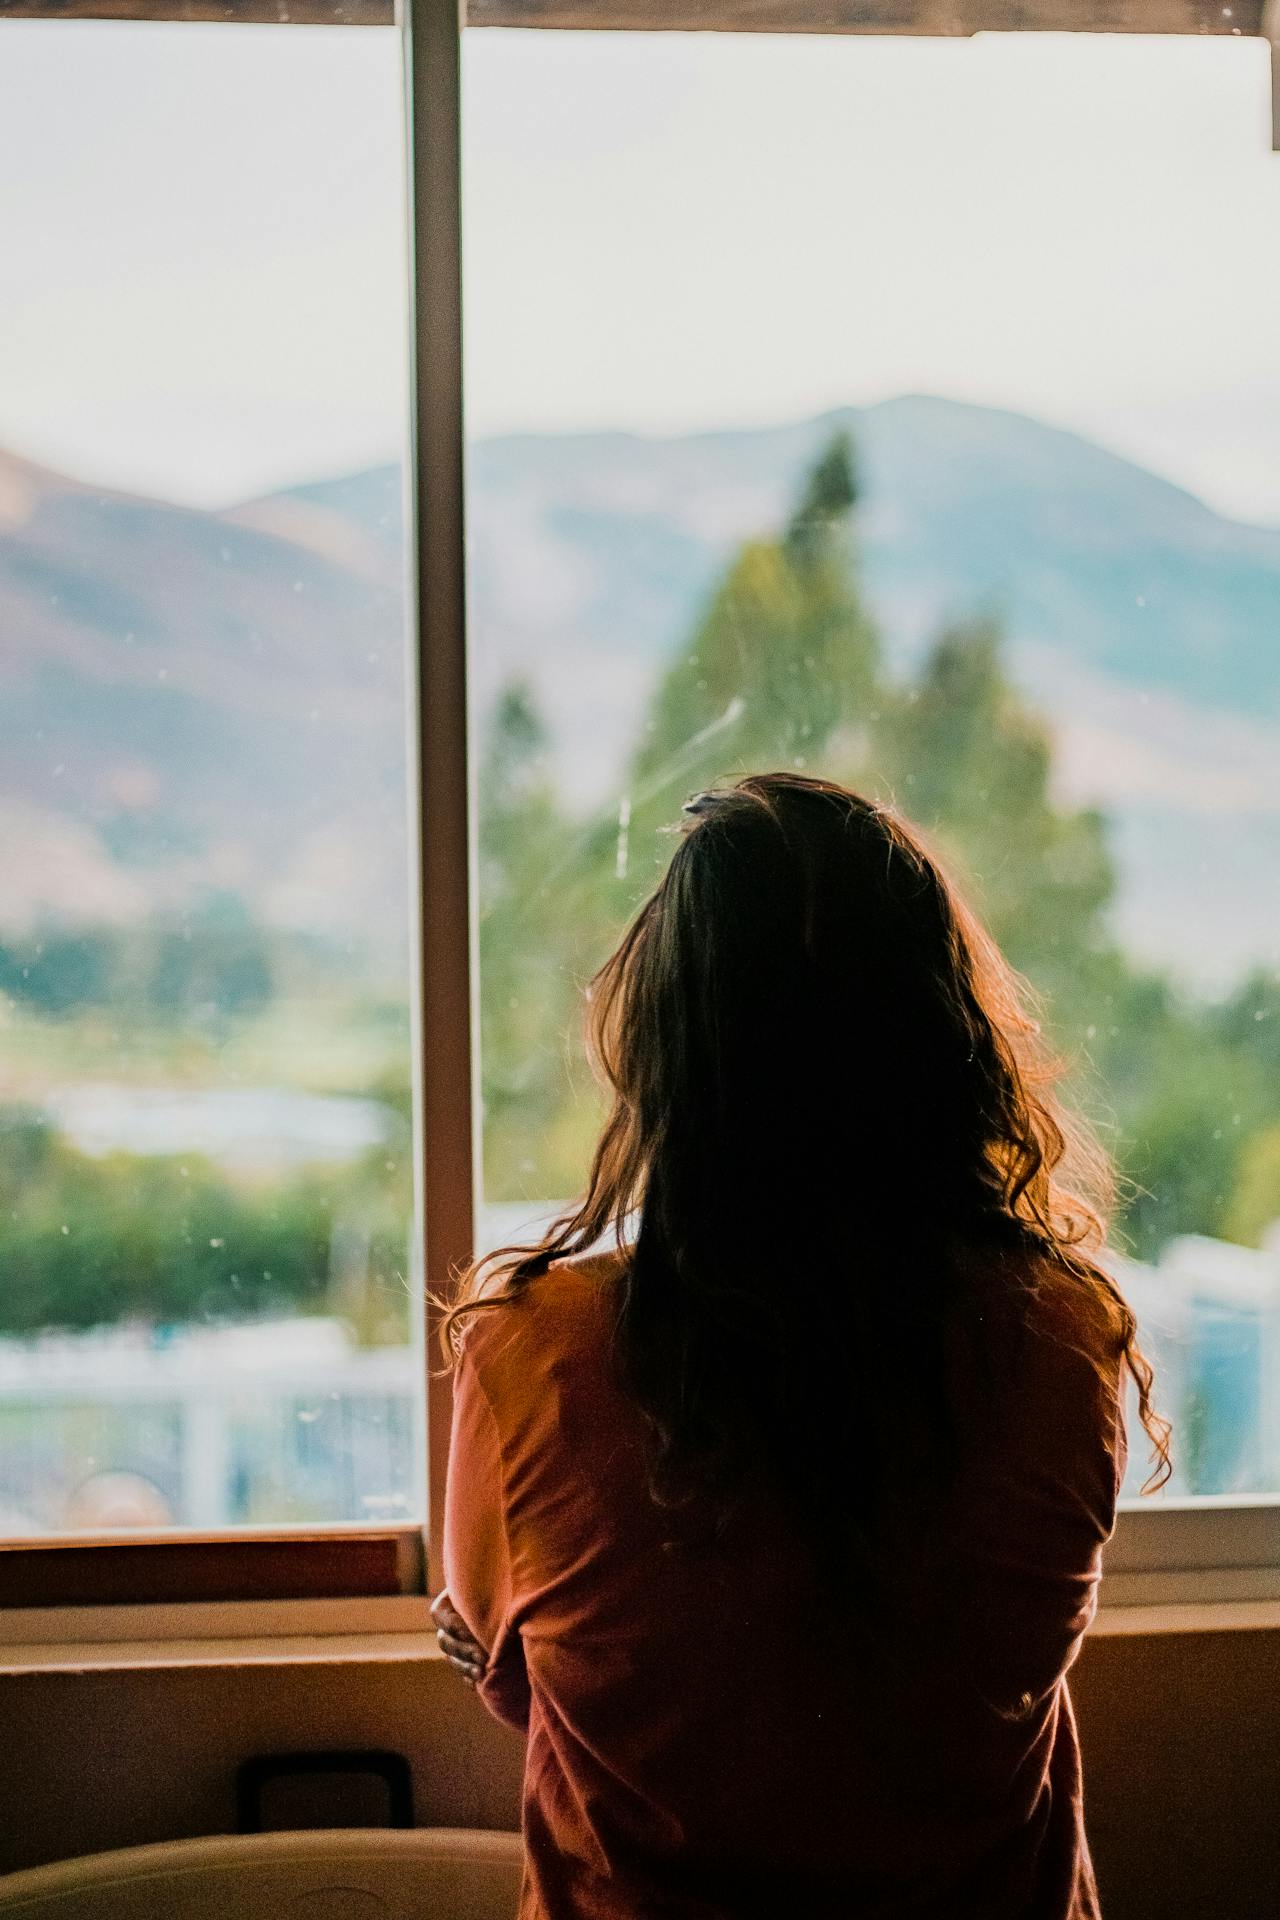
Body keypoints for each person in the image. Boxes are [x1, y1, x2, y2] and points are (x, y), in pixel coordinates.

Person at [432, 772, 1170, 1920]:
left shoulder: (532, 1355)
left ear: (670, 1053)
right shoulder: (1062, 1339)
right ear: (941, 1041)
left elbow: (518, 1675)